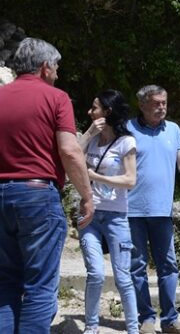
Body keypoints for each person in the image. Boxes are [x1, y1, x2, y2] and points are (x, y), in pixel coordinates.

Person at [0, 38, 94, 333]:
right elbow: (69, 150)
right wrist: (87, 196)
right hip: (38, 195)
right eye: (56, 67)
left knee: (5, 284)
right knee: (40, 287)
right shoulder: (56, 98)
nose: (57, 73)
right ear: (44, 67)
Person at [128, 85, 180, 334]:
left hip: (162, 210)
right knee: (137, 266)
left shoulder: (174, 130)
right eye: (156, 103)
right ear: (142, 105)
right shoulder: (128, 129)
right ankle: (146, 317)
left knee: (168, 266)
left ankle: (170, 319)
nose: (161, 107)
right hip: (132, 210)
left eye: (164, 103)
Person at [77, 90, 139, 334]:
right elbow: (71, 153)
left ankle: (133, 329)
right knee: (95, 274)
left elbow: (130, 180)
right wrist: (90, 131)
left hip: (115, 217)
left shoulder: (127, 142)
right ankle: (91, 327)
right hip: (89, 215)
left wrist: (96, 176)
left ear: (108, 112)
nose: (90, 112)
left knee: (123, 277)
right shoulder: (91, 139)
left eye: (95, 107)